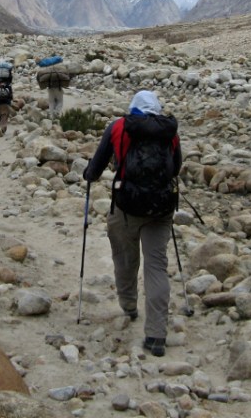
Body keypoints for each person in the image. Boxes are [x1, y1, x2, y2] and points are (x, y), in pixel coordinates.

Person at [83, 90, 182, 357]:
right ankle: (157, 335)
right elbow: (176, 168)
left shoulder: (119, 127)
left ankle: (128, 305)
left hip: (127, 206)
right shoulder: (169, 131)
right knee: (156, 265)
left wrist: (88, 174)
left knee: (125, 257)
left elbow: (97, 166)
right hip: (160, 209)